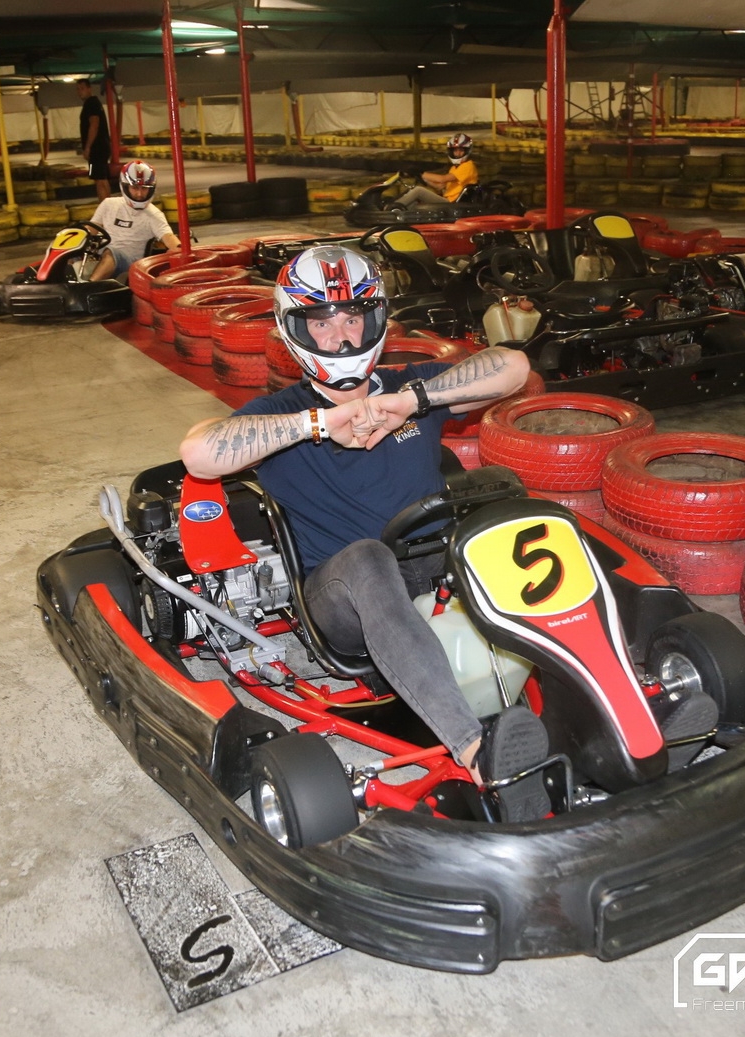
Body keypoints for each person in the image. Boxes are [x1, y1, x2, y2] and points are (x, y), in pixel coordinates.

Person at [176, 246, 552, 820]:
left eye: (352, 317)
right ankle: (475, 748)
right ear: (294, 329)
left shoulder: (412, 387)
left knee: (521, 516)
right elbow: (199, 454)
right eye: (322, 323)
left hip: (439, 570)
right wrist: (319, 423)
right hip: (341, 598)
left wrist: (409, 402)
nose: (341, 336)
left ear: (375, 320)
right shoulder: (281, 415)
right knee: (369, 558)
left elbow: (514, 366)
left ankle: (626, 693)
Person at [88, 159, 180, 282]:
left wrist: (179, 249)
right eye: (135, 188)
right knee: (72, 254)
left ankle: (89, 286)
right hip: (102, 255)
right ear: (125, 186)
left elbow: (168, 237)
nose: (139, 194)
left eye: (144, 188)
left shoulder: (154, 215)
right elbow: (91, 229)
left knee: (111, 253)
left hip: (131, 263)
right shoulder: (108, 204)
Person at [394, 133, 479, 208]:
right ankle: (400, 214)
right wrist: (423, 178)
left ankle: (392, 209)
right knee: (414, 198)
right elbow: (440, 186)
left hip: (453, 204)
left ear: (467, 151)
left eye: (461, 150)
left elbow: (442, 179)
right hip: (448, 200)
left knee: (418, 191)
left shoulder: (468, 166)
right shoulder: (455, 168)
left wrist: (420, 172)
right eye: (455, 151)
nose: (457, 153)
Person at [77, 78, 113, 200]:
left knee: (99, 179)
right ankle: (107, 206)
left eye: (82, 88)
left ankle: (104, 207)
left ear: (89, 89)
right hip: (101, 148)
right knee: (101, 178)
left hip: (97, 149)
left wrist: (88, 147)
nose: (80, 92)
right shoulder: (94, 103)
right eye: (78, 89)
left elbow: (94, 124)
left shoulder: (91, 103)